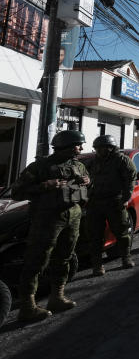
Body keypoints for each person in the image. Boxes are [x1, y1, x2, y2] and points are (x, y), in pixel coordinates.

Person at [10, 129, 90, 322]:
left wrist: (88, 182)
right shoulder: (40, 166)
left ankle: (57, 297)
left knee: (64, 257)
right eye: (79, 145)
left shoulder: (79, 165)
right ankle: (28, 306)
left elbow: (87, 187)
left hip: (72, 216)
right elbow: (17, 193)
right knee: (37, 260)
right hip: (47, 219)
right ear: (68, 146)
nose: (81, 148)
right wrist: (45, 186)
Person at [86, 134, 137, 275]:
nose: (99, 151)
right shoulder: (94, 162)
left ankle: (126, 258)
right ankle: (97, 266)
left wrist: (126, 198)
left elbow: (130, 179)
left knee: (122, 232)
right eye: (97, 148)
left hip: (115, 201)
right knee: (95, 235)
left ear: (110, 148)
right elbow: (87, 178)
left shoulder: (121, 160)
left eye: (102, 148)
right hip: (95, 202)